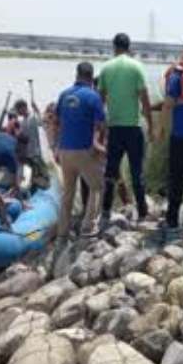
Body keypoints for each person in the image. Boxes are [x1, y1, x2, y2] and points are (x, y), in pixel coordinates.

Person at [98, 33, 154, 224]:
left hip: (114, 128)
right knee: (136, 171)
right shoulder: (137, 66)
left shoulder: (106, 68)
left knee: (111, 172)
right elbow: (144, 99)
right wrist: (152, 126)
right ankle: (143, 213)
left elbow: (101, 101)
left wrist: (100, 129)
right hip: (133, 127)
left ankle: (105, 212)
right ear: (129, 47)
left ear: (114, 47)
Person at [55, 62, 108, 242]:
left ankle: (62, 233)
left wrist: (56, 146)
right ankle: (88, 226)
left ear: (76, 75)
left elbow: (56, 122)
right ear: (91, 77)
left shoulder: (63, 95)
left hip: (64, 151)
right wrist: (100, 146)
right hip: (83, 151)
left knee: (68, 192)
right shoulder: (93, 96)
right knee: (98, 186)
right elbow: (101, 124)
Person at [163, 36, 183, 232]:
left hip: (180, 135)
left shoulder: (178, 73)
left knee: (176, 177)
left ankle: (172, 219)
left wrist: (161, 129)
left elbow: (168, 103)